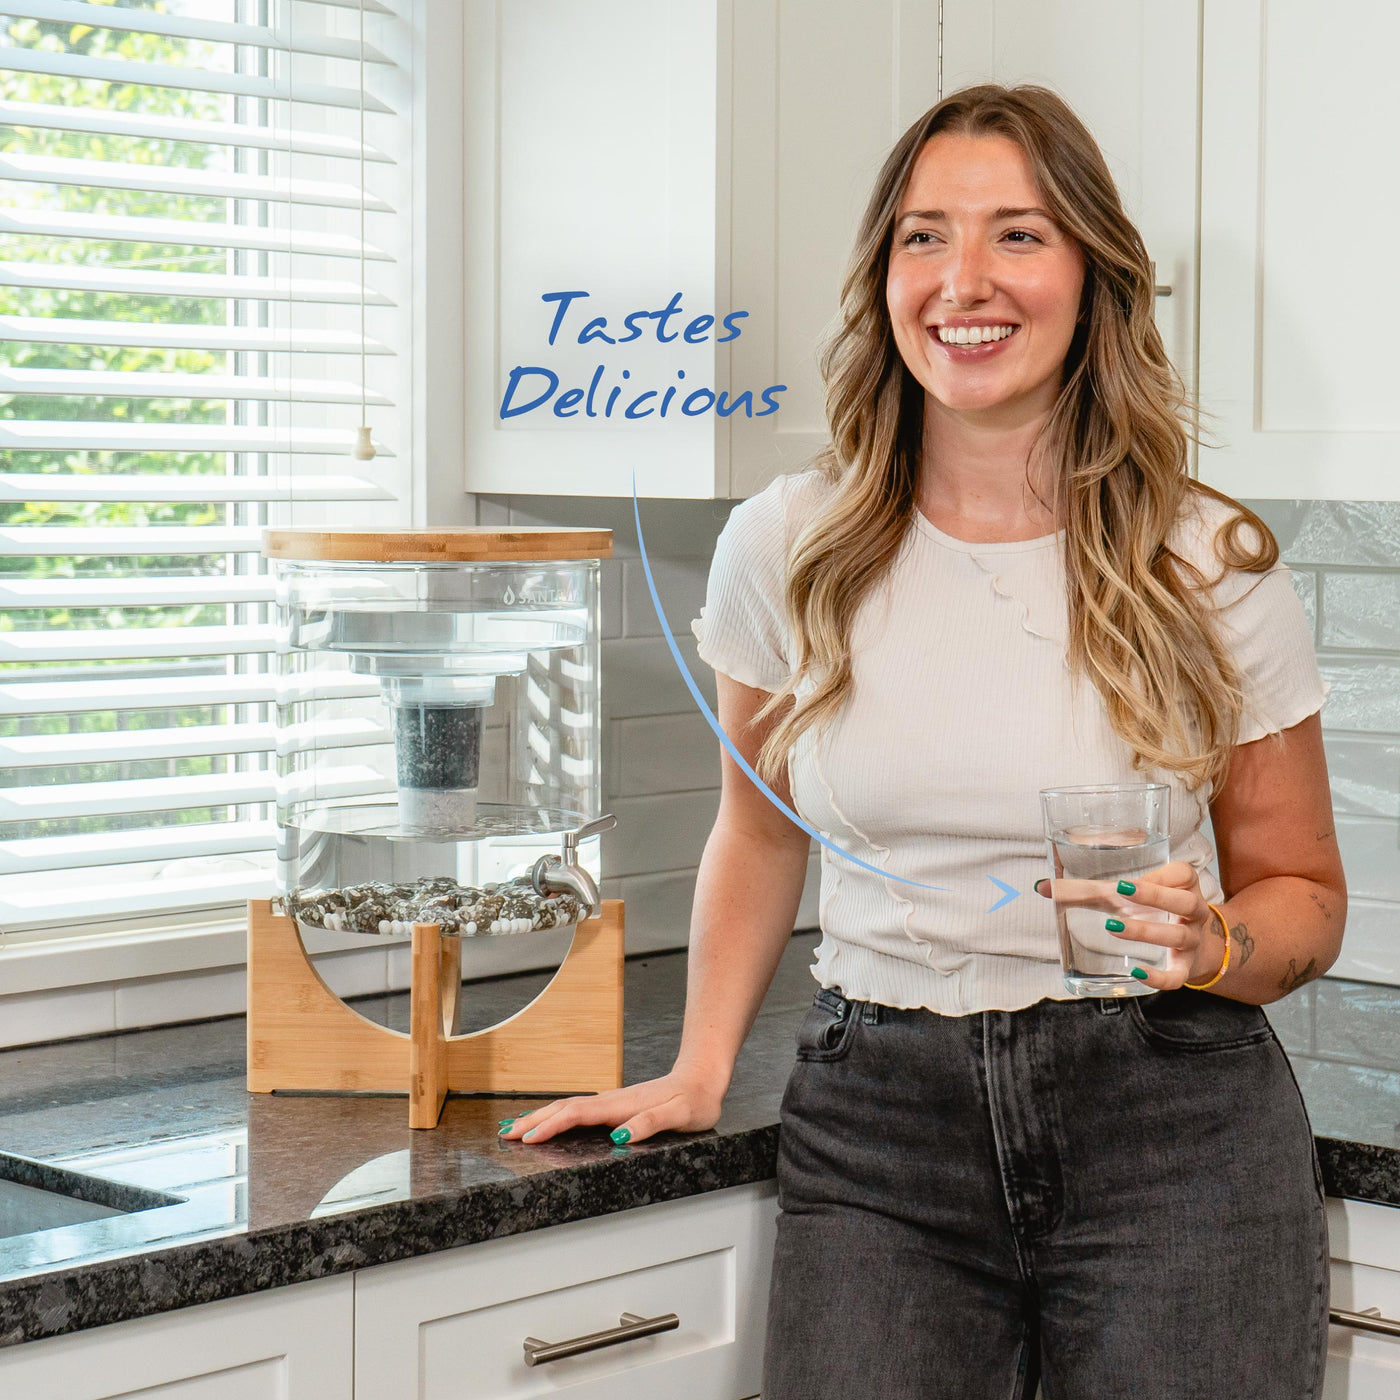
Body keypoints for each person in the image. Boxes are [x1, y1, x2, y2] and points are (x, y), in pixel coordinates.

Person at [498, 84, 1346, 1399]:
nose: (966, 280)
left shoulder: (1208, 557)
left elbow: (1306, 894)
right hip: (880, 1130)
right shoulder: (790, 545)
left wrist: (1214, 941)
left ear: (1093, 276)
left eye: (1018, 234)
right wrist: (700, 1064)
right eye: (922, 236)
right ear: (883, 278)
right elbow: (759, 831)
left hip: (1173, 1117)